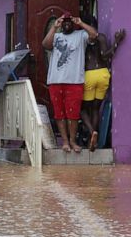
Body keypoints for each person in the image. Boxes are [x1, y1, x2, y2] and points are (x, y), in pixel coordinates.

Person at [42, 13, 97, 153]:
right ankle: (65, 142)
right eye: (64, 21)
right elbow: (45, 44)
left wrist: (81, 22)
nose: (66, 23)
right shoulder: (56, 36)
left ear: (73, 22)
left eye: (69, 21)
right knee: (59, 114)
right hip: (55, 81)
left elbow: (94, 35)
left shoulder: (81, 35)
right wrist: (55, 27)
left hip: (75, 82)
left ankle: (73, 141)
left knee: (73, 114)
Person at [80, 18, 125, 151]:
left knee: (83, 109)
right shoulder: (102, 38)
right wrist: (117, 42)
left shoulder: (83, 40)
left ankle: (91, 131)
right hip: (103, 74)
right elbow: (106, 56)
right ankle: (93, 138)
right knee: (95, 108)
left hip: (89, 75)